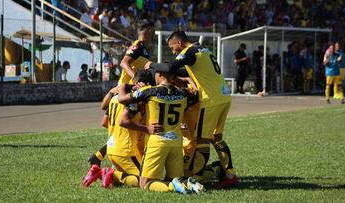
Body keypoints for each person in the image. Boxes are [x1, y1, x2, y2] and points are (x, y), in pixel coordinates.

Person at [150, 31, 237, 188]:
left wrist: (150, 65)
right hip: (224, 96)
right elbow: (187, 71)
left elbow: (171, 67)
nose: (173, 51)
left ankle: (196, 178)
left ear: (179, 43)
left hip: (210, 100)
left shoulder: (188, 51)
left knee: (202, 139)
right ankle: (229, 174)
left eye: (172, 48)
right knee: (216, 137)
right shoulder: (202, 49)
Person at [118, 64, 205, 194]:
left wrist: (125, 86)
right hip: (176, 142)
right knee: (172, 178)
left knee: (145, 184)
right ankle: (185, 183)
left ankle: (173, 186)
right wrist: (187, 80)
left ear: (159, 75)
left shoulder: (149, 91)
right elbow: (196, 93)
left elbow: (121, 99)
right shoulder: (183, 93)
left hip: (157, 141)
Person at [83, 70, 156, 188]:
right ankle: (107, 173)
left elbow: (104, 122)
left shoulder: (117, 97)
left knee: (122, 180)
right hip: (126, 151)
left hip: (112, 149)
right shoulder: (135, 98)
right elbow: (124, 121)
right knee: (146, 181)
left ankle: (105, 174)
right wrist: (145, 129)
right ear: (146, 84)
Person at [119, 19, 154, 85]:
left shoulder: (144, 49)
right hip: (125, 90)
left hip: (135, 89)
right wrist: (137, 78)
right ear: (150, 30)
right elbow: (123, 63)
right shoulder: (137, 45)